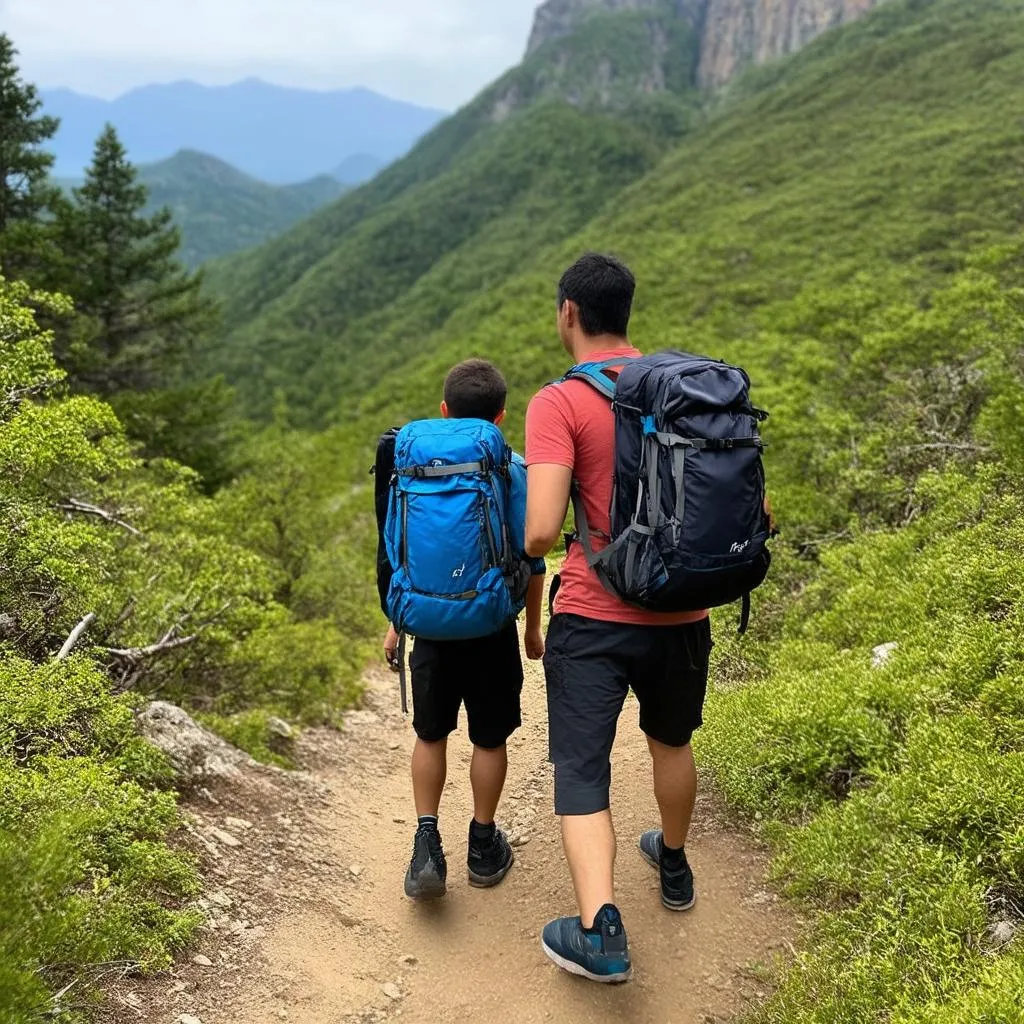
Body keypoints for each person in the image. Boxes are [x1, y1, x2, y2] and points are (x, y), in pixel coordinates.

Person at [524, 253, 712, 983]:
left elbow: (542, 531)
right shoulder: (683, 390)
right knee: (671, 743)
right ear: (626, 312)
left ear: (568, 311)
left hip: (595, 619)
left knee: (580, 769)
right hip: (681, 611)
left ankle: (601, 930)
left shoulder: (560, 402)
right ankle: (672, 863)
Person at [381, 358, 547, 900]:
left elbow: (397, 551)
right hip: (490, 625)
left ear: (444, 411)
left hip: (426, 627)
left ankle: (426, 842)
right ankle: (481, 841)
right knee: (489, 736)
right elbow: (532, 555)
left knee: (430, 734)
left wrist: (395, 624)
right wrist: (531, 632)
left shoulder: (410, 466)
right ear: (500, 417)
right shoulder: (511, 469)